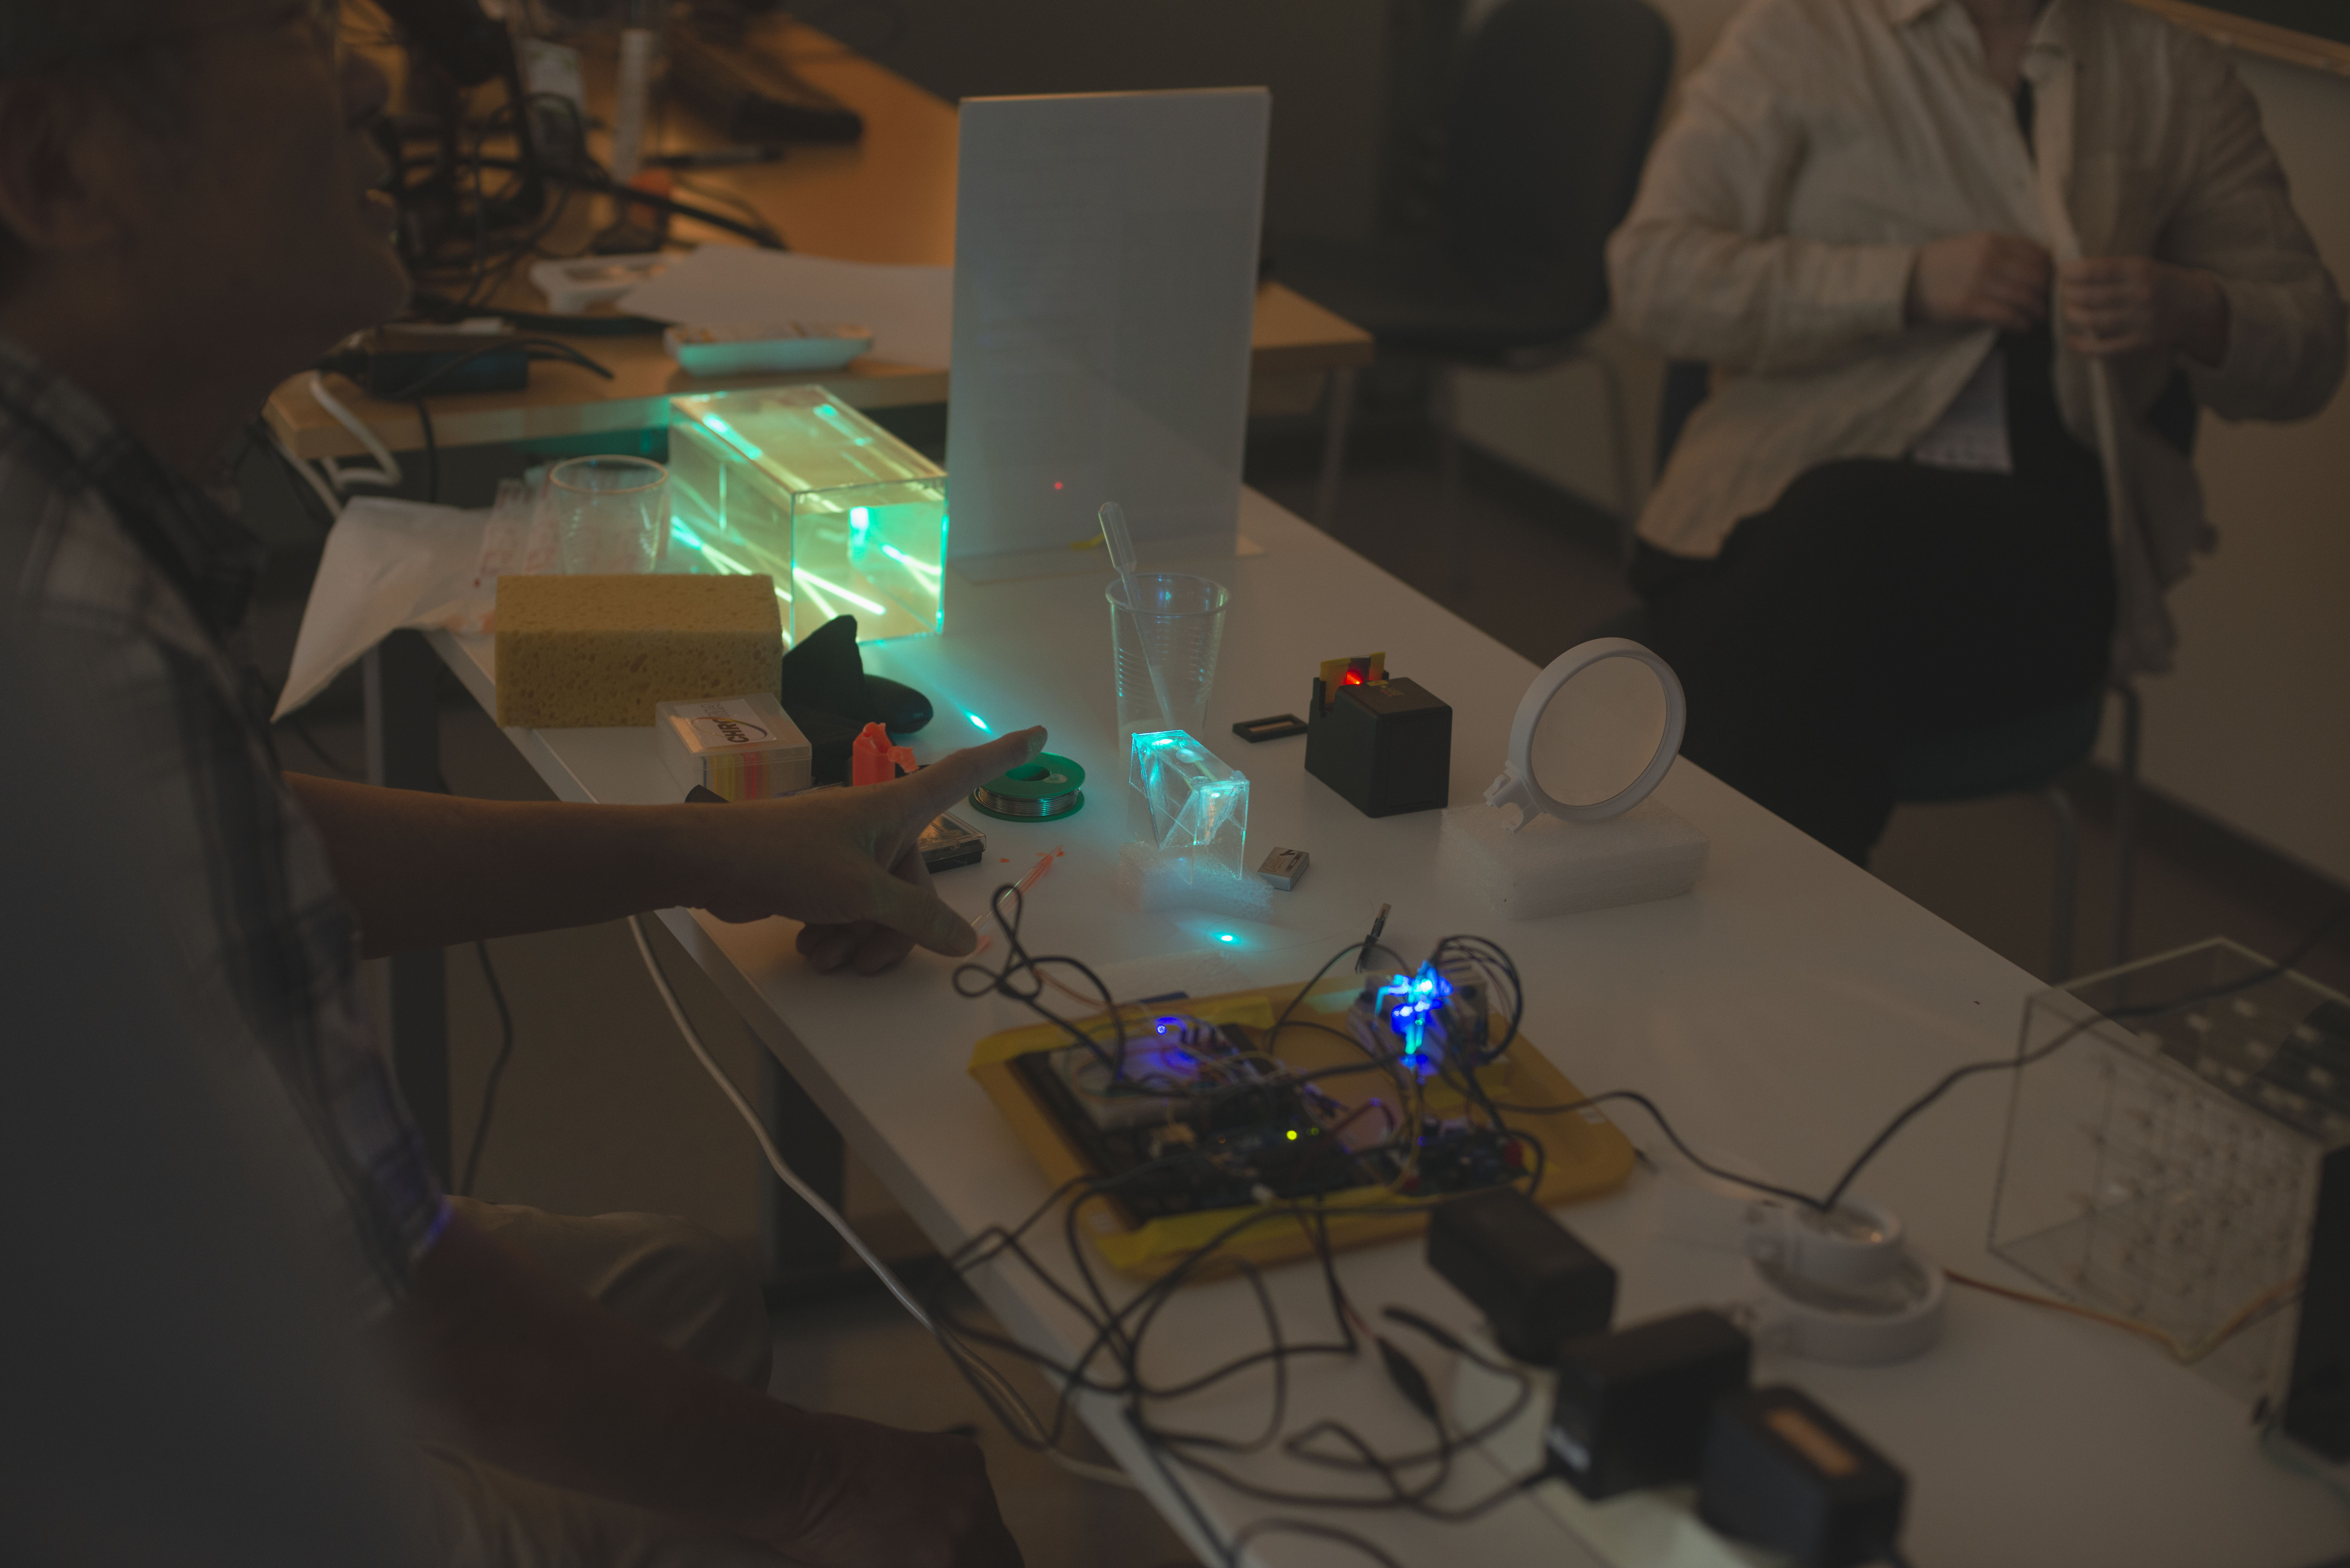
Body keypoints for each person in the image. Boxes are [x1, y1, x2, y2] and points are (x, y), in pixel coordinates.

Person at [0, 4, 1029, 1564]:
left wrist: (718, 854)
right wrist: (827, 1484)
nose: (362, 67)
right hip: (96, 1435)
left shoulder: (68, 512)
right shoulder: (76, 635)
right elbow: (391, 1296)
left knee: (680, 1291)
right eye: (285, 26)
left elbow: (227, 847)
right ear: (61, 172)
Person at [1605, 0, 2344, 862]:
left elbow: (2312, 346)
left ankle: (1669, 911)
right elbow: (1652, 276)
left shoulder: (2170, 73)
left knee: (1818, 568)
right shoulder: (1803, 33)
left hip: (2030, 550)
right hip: (1776, 501)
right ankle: (1761, 952)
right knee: (1822, 608)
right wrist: (1904, 284)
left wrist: (2200, 311)